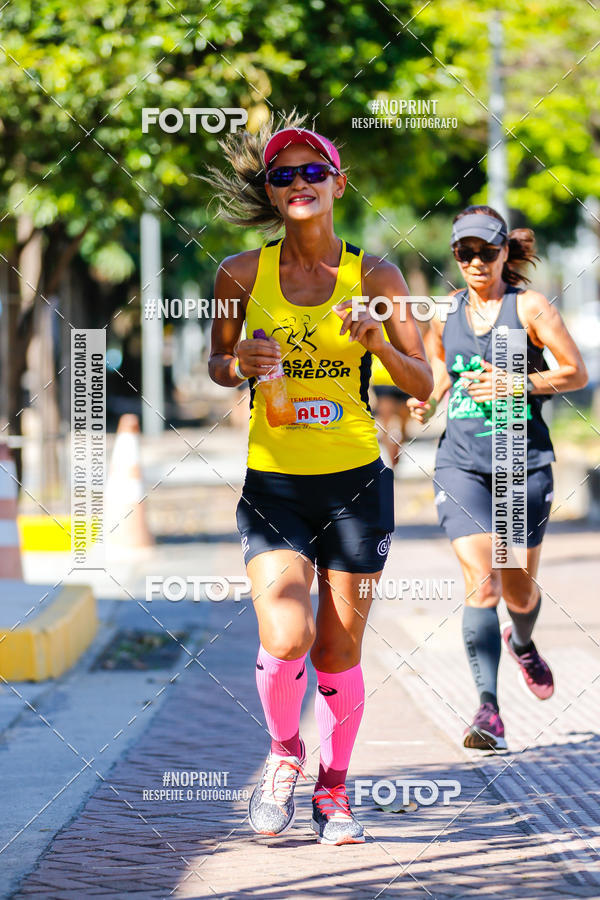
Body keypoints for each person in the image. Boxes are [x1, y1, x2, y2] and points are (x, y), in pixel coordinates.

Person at [207, 114, 432, 843]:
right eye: (283, 174)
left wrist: (377, 342)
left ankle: (334, 792)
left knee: (338, 651)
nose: (299, 183)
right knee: (288, 630)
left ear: (339, 183)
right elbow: (216, 364)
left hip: (357, 483)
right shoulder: (241, 273)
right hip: (274, 480)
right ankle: (283, 754)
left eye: (312, 172)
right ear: (270, 193)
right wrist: (238, 360)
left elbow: (422, 376)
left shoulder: (378, 275)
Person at [408, 205, 588, 751]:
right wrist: (428, 398)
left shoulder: (528, 307)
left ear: (506, 251)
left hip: (519, 462)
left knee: (517, 587)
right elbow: (440, 367)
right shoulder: (447, 312)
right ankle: (488, 711)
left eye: (487, 251)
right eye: (465, 252)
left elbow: (575, 371)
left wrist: (517, 384)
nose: (476, 262)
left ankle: (525, 643)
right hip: (460, 462)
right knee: (482, 582)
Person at [370, 350, 411, 470]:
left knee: (404, 424)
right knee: (386, 424)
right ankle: (391, 459)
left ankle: (397, 448)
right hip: (382, 378)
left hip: (404, 378)